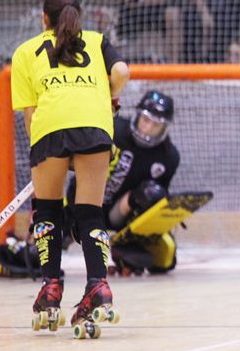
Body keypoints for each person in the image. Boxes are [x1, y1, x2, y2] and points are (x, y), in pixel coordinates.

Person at [10, 0, 130, 335]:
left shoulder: (25, 52)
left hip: (50, 128)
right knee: (90, 213)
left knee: (47, 210)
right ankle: (98, 286)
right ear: (79, 15)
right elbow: (122, 71)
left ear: (44, 19)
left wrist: (41, 152)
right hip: (95, 125)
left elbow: (30, 115)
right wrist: (110, 96)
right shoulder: (97, 41)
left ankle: (50, 288)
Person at [66, 90, 180, 275]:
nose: (148, 128)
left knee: (165, 259)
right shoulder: (112, 128)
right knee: (44, 246)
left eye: (156, 125)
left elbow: (159, 204)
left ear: (164, 127)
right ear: (138, 115)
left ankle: (125, 244)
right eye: (146, 120)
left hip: (121, 213)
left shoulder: (169, 156)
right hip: (82, 200)